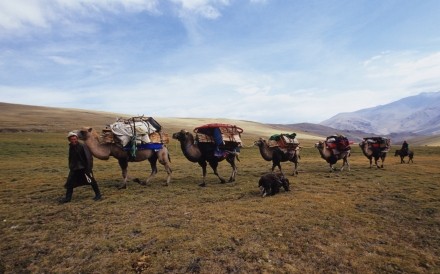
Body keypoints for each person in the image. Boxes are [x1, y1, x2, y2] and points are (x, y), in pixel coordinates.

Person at [59, 131, 101, 203]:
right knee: (70, 182)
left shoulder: (82, 146)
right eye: (72, 139)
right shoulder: (71, 146)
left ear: (77, 138)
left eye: (75, 139)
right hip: (75, 168)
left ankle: (98, 195)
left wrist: (88, 168)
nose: (74, 140)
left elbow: (88, 157)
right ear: (69, 140)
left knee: (91, 180)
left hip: (84, 168)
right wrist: (71, 166)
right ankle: (68, 198)